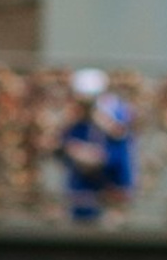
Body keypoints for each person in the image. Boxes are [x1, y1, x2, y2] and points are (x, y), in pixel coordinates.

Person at [56, 68, 135, 225]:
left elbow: (119, 147)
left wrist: (98, 156)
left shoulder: (116, 111)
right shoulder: (74, 117)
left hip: (112, 187)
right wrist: (75, 152)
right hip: (82, 188)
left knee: (113, 230)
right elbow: (63, 146)